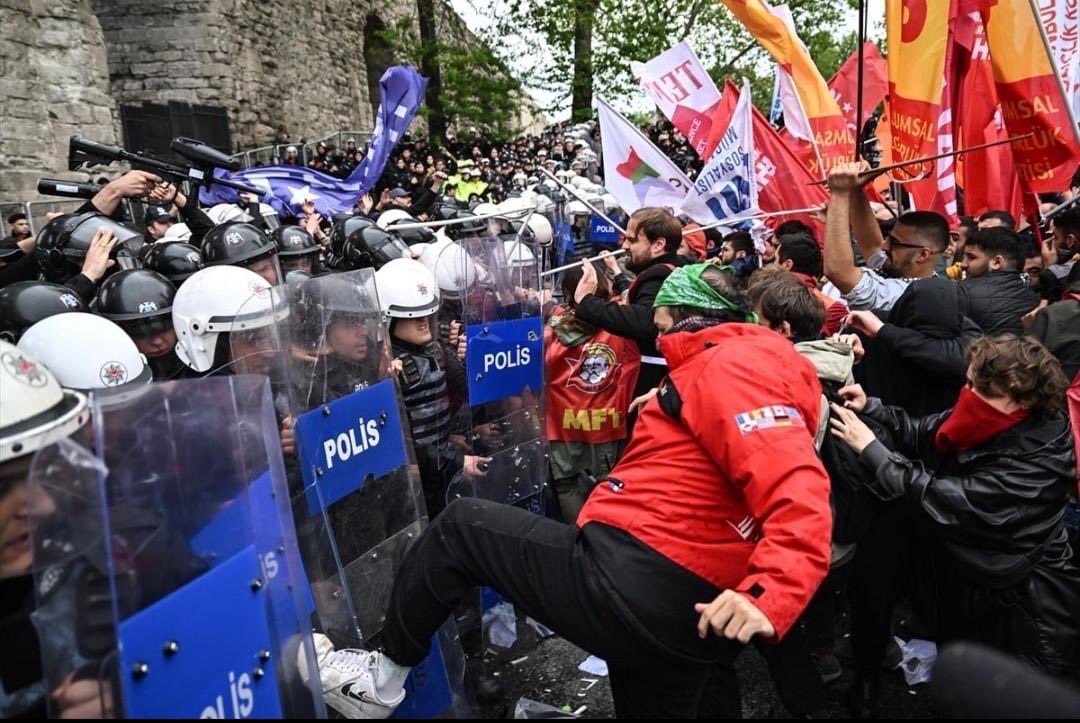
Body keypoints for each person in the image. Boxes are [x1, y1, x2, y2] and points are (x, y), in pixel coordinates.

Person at [323, 263, 832, 719]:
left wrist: (772, 592)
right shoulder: (738, 365)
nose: (656, 339)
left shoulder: (733, 366)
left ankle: (378, 684)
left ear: (687, 318)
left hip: (640, 574)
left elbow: (797, 479)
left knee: (461, 529)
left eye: (660, 326)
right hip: (690, 608)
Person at [829, 335, 1080, 675]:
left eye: (986, 392)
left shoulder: (1035, 462)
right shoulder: (992, 415)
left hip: (1020, 606)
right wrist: (873, 408)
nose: (970, 396)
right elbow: (928, 431)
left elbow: (942, 497)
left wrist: (872, 449)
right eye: (969, 383)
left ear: (1025, 401)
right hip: (969, 584)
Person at [0, 340, 96, 718]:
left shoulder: (100, 567)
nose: (44, 505)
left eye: (45, 471)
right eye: (1, 486)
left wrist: (138, 686)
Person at [544, 264, 640, 524]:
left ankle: (578, 538)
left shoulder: (549, 332)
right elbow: (633, 298)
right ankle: (601, 539)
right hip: (607, 424)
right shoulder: (621, 327)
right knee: (608, 485)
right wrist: (616, 271)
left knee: (566, 486)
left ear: (566, 293)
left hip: (562, 425)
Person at [572, 207, 686, 400]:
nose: (624, 246)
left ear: (658, 245)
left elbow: (644, 322)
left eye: (632, 240)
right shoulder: (678, 268)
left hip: (655, 383)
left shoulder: (658, 276)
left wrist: (587, 302)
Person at [824, 162, 947, 313]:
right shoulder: (901, 268)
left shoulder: (911, 295)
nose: (884, 246)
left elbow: (839, 272)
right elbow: (872, 246)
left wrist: (840, 193)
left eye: (894, 243)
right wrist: (857, 190)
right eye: (888, 238)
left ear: (922, 255)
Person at [95, 269, 186, 380]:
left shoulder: (200, 363)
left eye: (164, 327)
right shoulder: (105, 378)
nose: (157, 341)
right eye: (140, 332)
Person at [956, 227, 1040, 335]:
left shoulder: (962, 292)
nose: (963, 264)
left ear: (996, 262)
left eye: (971, 257)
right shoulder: (1036, 301)